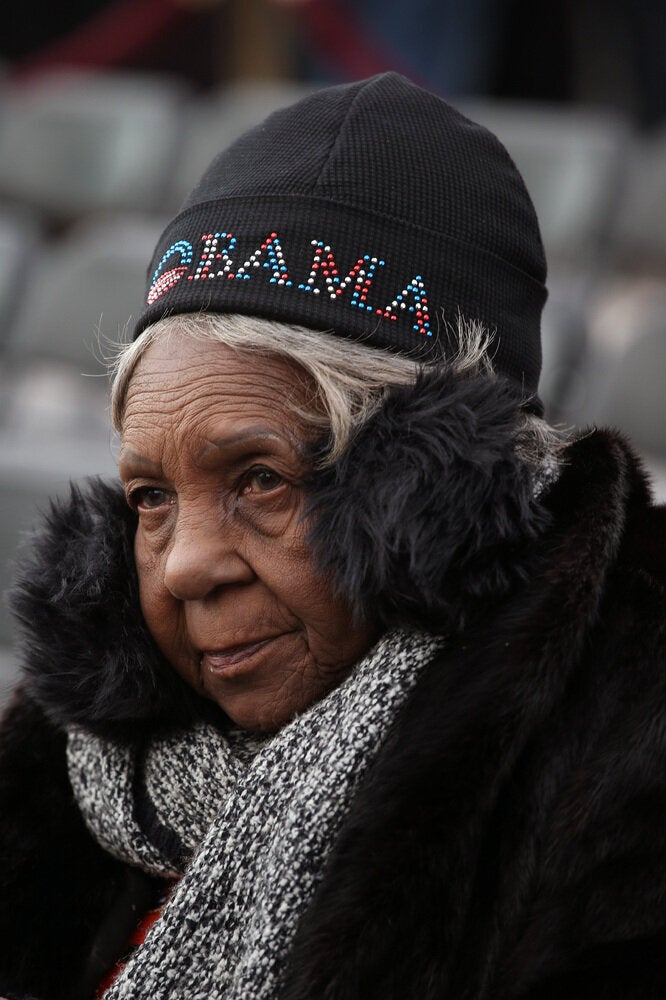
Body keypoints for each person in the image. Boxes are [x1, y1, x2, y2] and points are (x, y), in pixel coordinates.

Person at [0, 72, 664, 1000]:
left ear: (435, 496)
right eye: (150, 497)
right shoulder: (78, 757)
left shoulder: (628, 742)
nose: (185, 567)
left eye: (260, 479)